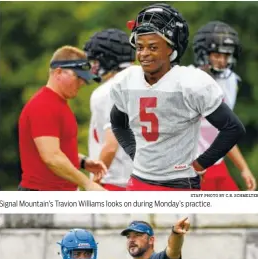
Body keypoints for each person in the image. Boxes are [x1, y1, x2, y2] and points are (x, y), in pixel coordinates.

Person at [110, 3, 246, 191]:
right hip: (139, 181)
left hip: (179, 184)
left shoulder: (191, 82)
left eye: (153, 47)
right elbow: (117, 123)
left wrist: (200, 164)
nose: (144, 54)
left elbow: (233, 128)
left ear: (171, 48)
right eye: (140, 47)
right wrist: (135, 153)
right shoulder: (127, 79)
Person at [18, 45, 107, 191]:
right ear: (58, 72)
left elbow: (59, 150)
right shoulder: (43, 106)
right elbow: (52, 157)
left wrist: (83, 162)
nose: (82, 83)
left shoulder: (59, 104)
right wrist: (87, 183)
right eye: (78, 77)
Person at [192, 21, 256, 191]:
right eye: (217, 55)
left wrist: (243, 168)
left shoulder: (230, 80)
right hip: (193, 168)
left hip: (217, 164)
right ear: (204, 52)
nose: (222, 61)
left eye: (226, 56)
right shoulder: (188, 81)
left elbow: (224, 131)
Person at [84, 28, 135, 191]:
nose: (93, 68)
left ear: (108, 59)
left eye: (95, 62)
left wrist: (93, 184)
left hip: (115, 181)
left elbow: (111, 145)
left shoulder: (107, 91)